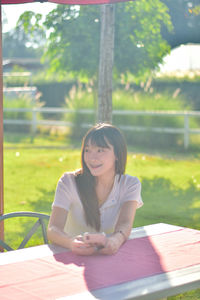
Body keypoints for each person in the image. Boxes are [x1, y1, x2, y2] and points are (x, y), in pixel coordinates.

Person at [47, 123, 143, 255]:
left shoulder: (130, 184)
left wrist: (115, 241)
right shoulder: (68, 182)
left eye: (100, 150)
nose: (92, 158)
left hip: (107, 257)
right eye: (87, 150)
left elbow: (125, 223)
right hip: (71, 257)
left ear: (117, 154)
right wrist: (72, 243)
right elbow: (53, 229)